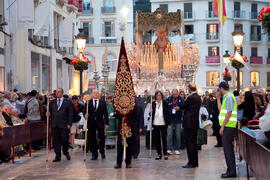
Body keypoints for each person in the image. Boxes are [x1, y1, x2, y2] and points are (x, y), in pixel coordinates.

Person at [217, 81, 237, 178]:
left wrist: (222, 126)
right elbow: (221, 110)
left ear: (221, 88)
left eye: (218, 89)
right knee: (227, 150)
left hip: (228, 126)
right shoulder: (226, 97)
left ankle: (232, 171)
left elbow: (229, 112)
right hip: (228, 126)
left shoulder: (229, 97)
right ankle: (230, 169)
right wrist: (217, 98)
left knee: (228, 150)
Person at [47, 88, 73, 162]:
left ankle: (65, 152)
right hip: (55, 125)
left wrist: (69, 123)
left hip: (64, 125)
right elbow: (50, 112)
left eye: (59, 92)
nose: (57, 93)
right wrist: (48, 114)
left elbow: (71, 114)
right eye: (56, 92)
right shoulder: (52, 102)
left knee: (64, 140)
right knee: (56, 141)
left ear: (62, 93)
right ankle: (57, 156)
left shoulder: (67, 102)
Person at [180, 83, 201, 168]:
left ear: (189, 89)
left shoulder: (190, 97)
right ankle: (195, 162)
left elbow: (184, 106)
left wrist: (180, 107)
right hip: (194, 123)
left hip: (189, 123)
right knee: (194, 143)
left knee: (189, 144)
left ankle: (191, 162)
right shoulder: (198, 97)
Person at [85, 90, 109, 160]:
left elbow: (106, 114)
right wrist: (85, 115)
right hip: (91, 123)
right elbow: (85, 112)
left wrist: (107, 123)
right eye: (94, 93)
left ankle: (102, 151)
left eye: (97, 93)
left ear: (99, 94)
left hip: (100, 122)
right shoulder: (88, 102)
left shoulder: (102, 102)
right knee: (92, 138)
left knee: (102, 137)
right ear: (92, 94)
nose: (95, 94)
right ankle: (94, 154)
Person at [152, 91, 170, 160]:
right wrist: (151, 112)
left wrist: (168, 123)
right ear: (155, 96)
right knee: (157, 140)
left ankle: (165, 153)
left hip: (163, 123)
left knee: (164, 139)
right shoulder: (153, 103)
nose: (158, 97)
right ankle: (159, 153)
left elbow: (168, 113)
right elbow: (151, 114)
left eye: (159, 95)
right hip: (156, 123)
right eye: (157, 95)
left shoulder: (165, 103)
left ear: (161, 96)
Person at [167, 89, 184, 155]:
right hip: (170, 120)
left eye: (176, 94)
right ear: (172, 94)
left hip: (178, 120)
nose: (175, 95)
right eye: (173, 94)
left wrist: (179, 108)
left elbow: (184, 106)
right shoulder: (169, 99)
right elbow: (166, 107)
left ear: (178, 93)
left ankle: (177, 148)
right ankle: (169, 148)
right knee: (169, 134)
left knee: (177, 134)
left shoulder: (181, 99)